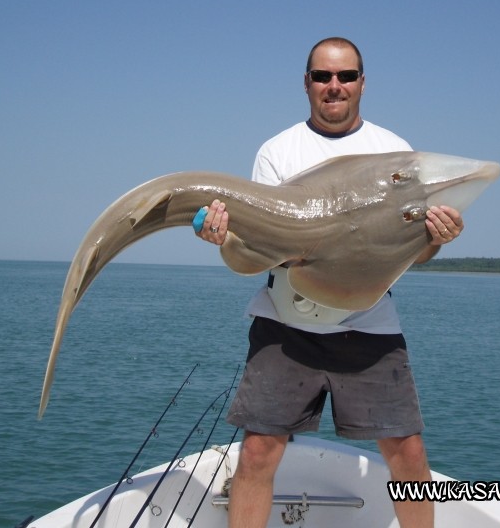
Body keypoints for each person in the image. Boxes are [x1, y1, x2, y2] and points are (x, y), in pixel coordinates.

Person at [195, 37, 464, 528]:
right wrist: (225, 236)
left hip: (370, 324)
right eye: (322, 76)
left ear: (362, 83)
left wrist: (437, 239)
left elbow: (415, 250)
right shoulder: (278, 151)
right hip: (284, 324)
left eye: (345, 76)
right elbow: (257, 254)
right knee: (257, 453)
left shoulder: (393, 151)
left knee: (407, 452)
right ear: (307, 83)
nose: (333, 86)